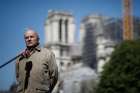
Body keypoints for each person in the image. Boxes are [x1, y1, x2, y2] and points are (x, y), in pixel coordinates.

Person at [16, 28, 58, 93]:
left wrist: (45, 90)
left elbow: (54, 76)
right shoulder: (20, 58)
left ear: (38, 39)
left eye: (32, 37)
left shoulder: (47, 54)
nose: (29, 39)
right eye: (26, 38)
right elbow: (18, 78)